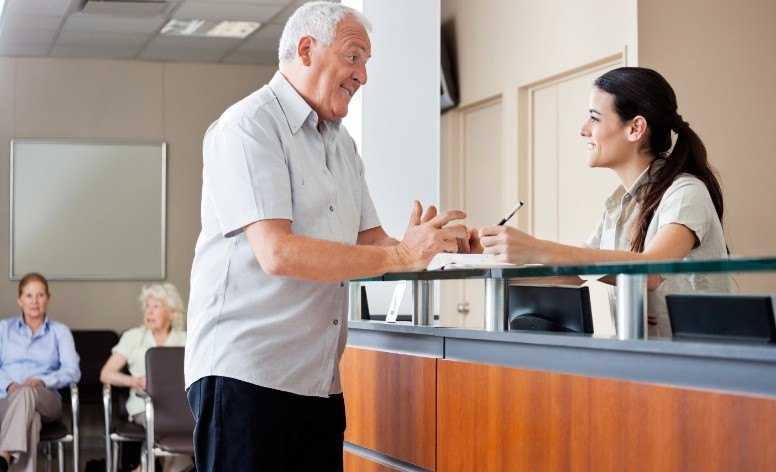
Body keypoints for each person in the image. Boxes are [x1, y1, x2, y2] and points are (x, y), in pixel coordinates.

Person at [184, 2, 468, 470]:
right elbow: (276, 252)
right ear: (306, 50)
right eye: (354, 57)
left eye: (366, 62)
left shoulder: (341, 142)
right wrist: (399, 256)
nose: (364, 76)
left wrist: (431, 246)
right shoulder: (249, 126)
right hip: (246, 375)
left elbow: (372, 242)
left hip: (317, 381)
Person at [473, 67, 731, 338]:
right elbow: (572, 274)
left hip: (700, 365)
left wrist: (536, 249)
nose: (583, 130)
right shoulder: (617, 206)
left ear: (635, 128)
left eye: (594, 118)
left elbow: (650, 272)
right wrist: (483, 260)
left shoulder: (687, 192)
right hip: (648, 362)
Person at [100, 283, 190, 472]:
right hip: (145, 406)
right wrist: (135, 381)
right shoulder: (133, 337)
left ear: (172, 312)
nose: (149, 311)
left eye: (156, 306)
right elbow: (106, 374)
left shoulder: (185, 339)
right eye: (147, 306)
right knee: (165, 422)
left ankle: (143, 467)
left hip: (181, 408)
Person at [0, 273, 80, 472]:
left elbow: (73, 371)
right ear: (19, 299)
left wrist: (43, 382)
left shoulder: (60, 331)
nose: (34, 301)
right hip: (5, 400)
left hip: (46, 400)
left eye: (40, 295)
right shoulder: (3, 329)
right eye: (28, 295)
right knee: (31, 420)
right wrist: (9, 385)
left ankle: (4, 454)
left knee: (27, 392)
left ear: (48, 298)